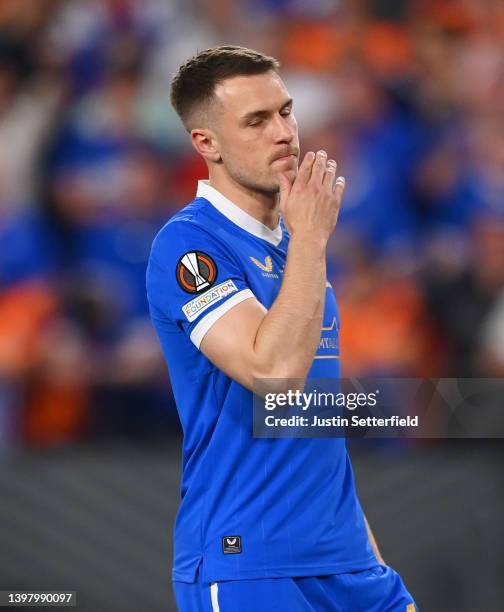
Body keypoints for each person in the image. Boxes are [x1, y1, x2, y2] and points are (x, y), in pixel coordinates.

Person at [147, 46, 417, 612]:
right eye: (256, 120)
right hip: (250, 566)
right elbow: (272, 372)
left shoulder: (299, 246)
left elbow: (313, 419)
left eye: (286, 111)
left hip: (350, 566)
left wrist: (366, 552)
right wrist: (314, 241)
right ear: (207, 144)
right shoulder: (190, 245)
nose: (284, 133)